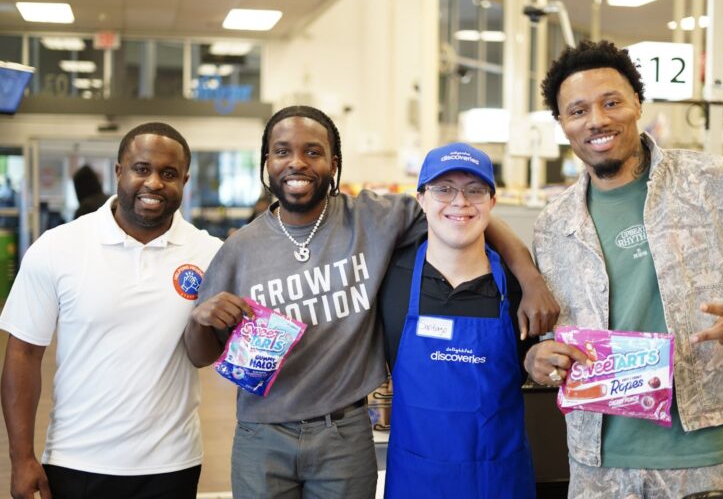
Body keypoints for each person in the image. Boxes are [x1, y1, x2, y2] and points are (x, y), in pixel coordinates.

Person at [183, 105, 559, 498]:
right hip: (262, 436)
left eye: (313, 151)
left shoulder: (371, 218)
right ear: (267, 161)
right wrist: (199, 321)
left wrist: (530, 279)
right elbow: (199, 355)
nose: (297, 162)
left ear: (334, 163)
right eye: (282, 151)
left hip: (343, 433)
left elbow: (466, 212)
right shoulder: (239, 250)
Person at [525, 40, 723, 498]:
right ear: (562, 124)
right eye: (578, 111)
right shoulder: (553, 224)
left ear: (638, 103)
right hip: (596, 459)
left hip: (698, 452)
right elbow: (552, 336)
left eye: (611, 102)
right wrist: (538, 359)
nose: (596, 120)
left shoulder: (715, 183)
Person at [0, 122, 223, 499]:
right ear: (119, 171)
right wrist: (21, 458)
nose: (154, 182)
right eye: (142, 169)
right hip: (77, 460)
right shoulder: (58, 247)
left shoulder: (210, 254)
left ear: (184, 180)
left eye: (169, 174)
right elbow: (23, 353)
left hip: (173, 464)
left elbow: (209, 353)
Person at [378, 143, 543, 498]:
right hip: (416, 479)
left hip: (498, 479)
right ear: (421, 199)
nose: (460, 202)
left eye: (475, 190)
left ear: (492, 202)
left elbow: (536, 363)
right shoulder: (390, 280)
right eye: (444, 189)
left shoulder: (520, 290)